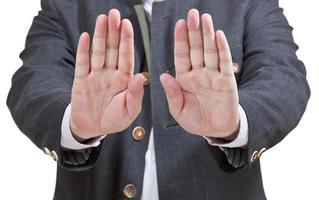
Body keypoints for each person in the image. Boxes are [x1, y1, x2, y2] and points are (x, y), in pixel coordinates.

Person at [7, 0, 310, 199]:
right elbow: (32, 81)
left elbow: (284, 77)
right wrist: (75, 124)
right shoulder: (67, 5)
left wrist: (235, 123)